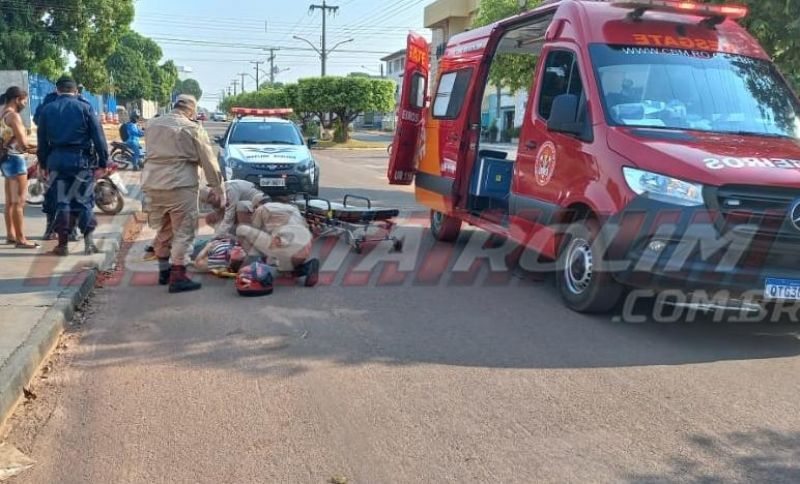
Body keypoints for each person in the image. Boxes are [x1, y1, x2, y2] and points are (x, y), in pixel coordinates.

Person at [141, 94, 224, 293]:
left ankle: (164, 272)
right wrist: (217, 187)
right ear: (192, 110)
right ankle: (178, 276)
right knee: (184, 231)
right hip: (180, 185)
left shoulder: (152, 125)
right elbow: (209, 162)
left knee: (164, 227)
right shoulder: (193, 128)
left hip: (152, 182)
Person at [36, 76, 109, 256]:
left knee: (62, 202)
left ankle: (63, 245)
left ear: (57, 90)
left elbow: (42, 141)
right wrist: (103, 162)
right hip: (81, 161)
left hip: (56, 161)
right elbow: (99, 137)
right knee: (84, 202)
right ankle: (89, 243)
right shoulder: (85, 107)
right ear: (76, 91)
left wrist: (43, 163)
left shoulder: (47, 109)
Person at [235, 194, 319, 286]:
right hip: (305, 247)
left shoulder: (262, 209)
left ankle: (256, 266)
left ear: (257, 204)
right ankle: (308, 267)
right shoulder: (292, 208)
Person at [1, 86, 40, 248]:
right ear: (17, 99)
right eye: (24, 100)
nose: (25, 103)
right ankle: (21, 239)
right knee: (19, 203)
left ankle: (11, 235)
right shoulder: (14, 116)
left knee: (10, 202)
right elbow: (23, 144)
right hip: (16, 160)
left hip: (5, 159)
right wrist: (38, 148)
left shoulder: (3, 113)